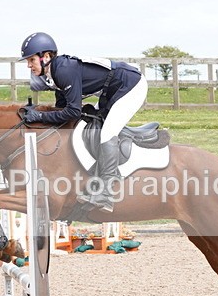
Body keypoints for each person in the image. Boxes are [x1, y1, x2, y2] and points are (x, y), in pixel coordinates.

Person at [18, 32, 147, 213]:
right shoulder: (54, 74)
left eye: (31, 60)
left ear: (45, 57)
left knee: (107, 133)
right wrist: (37, 113)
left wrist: (40, 117)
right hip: (111, 90)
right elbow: (61, 110)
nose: (29, 66)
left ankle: (106, 193)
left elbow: (72, 111)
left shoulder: (63, 71)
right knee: (89, 127)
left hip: (131, 85)